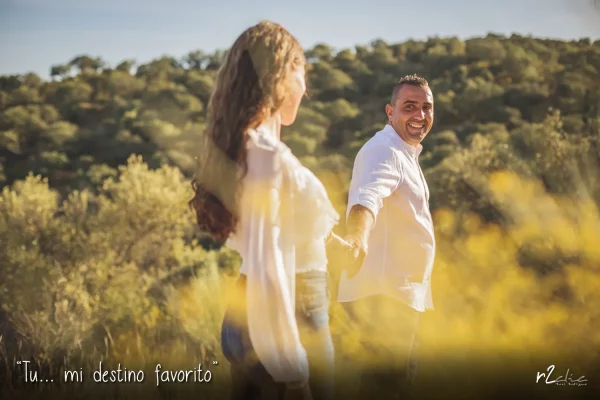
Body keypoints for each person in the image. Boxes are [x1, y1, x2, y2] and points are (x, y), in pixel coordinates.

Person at [188, 21, 350, 400]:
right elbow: (270, 265)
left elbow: (271, 236)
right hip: (286, 317)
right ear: (283, 73)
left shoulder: (241, 149)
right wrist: (292, 371)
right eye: (302, 72)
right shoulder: (267, 156)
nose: (305, 88)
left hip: (247, 314)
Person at [337, 74, 436, 399]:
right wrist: (357, 238)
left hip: (399, 295)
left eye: (426, 107)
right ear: (390, 111)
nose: (420, 116)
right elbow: (367, 197)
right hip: (384, 298)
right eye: (410, 107)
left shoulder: (404, 152)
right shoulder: (384, 150)